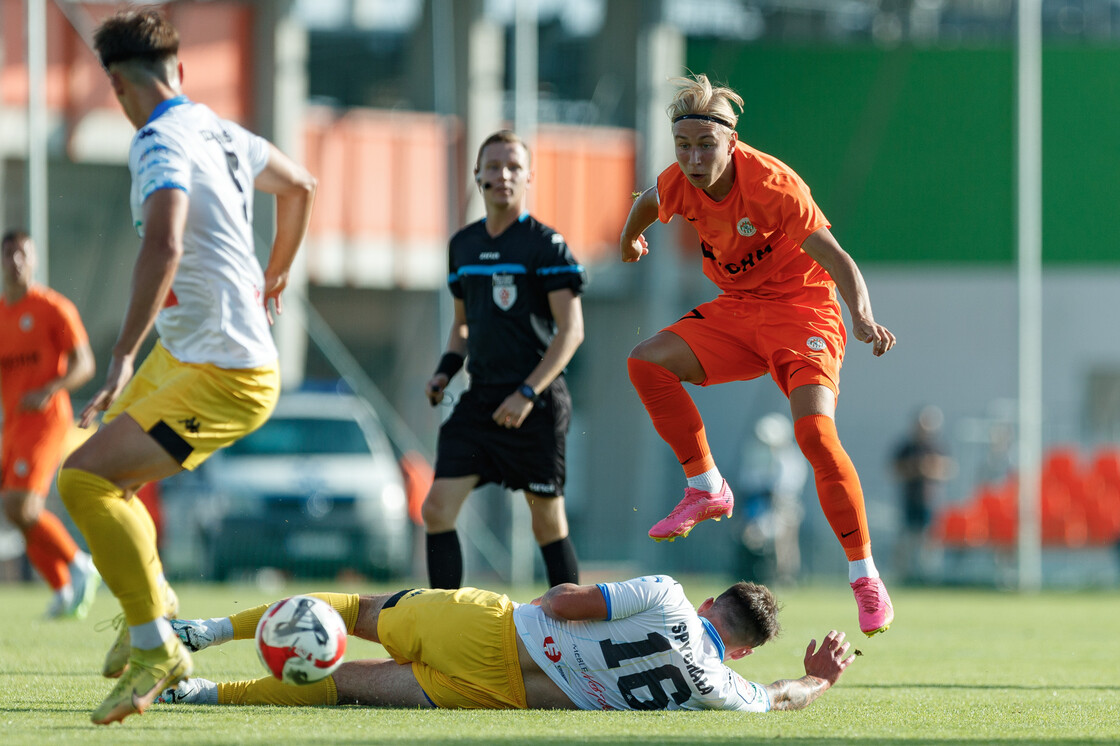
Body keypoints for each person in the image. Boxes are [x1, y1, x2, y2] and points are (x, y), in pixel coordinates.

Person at [56, 8, 316, 725]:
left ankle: (155, 646)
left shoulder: (157, 143)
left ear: (117, 87)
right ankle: (158, 605)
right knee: (111, 470)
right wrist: (276, 274)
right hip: (189, 350)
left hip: (226, 372)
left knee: (81, 481)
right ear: (180, 70)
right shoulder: (216, 127)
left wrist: (119, 353)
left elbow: (164, 241)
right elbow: (301, 188)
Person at [618, 73, 896, 636]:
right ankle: (705, 487)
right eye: (684, 146)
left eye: (706, 146)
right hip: (740, 308)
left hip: (802, 311)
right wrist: (628, 239)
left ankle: (865, 576)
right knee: (645, 361)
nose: (694, 158)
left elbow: (837, 257)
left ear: (732, 141)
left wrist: (862, 314)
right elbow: (649, 202)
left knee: (815, 436)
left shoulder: (773, 184)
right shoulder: (678, 182)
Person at [156, 575, 855, 712]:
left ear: (711, 604)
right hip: (500, 695)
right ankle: (197, 693)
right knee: (344, 687)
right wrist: (819, 680)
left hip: (496, 627)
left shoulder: (670, 594)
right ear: (741, 649)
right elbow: (781, 697)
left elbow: (560, 602)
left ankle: (207, 632)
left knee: (354, 611)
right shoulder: (725, 689)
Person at [422, 130, 585, 590]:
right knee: (436, 509)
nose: (503, 175)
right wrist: (444, 371)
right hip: (481, 401)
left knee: (546, 525)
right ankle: (442, 629)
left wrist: (527, 393)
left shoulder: (546, 246)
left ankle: (575, 634)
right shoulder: (463, 246)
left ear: (528, 177)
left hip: (536, 404)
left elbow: (572, 332)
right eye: (493, 166)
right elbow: (463, 326)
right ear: (478, 176)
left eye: (513, 167)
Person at [0, 230, 99, 619]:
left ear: (35, 259)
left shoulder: (53, 308)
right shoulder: (2, 313)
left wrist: (50, 388)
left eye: (23, 254)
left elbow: (85, 363)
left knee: (21, 504)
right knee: (14, 511)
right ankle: (61, 588)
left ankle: (79, 564)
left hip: (47, 421)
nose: (16, 261)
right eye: (9, 254)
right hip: (14, 424)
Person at [737, 413, 808, 586]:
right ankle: (754, 574)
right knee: (751, 537)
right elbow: (748, 481)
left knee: (784, 544)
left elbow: (789, 484)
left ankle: (784, 577)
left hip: (783, 505)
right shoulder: (755, 455)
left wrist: (772, 494)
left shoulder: (790, 457)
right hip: (758, 506)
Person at [891, 405, 955, 584]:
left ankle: (928, 579)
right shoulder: (907, 448)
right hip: (910, 501)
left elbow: (948, 469)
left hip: (931, 503)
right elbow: (895, 469)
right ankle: (906, 577)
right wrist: (915, 468)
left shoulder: (937, 447)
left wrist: (930, 469)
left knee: (930, 543)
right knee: (908, 541)